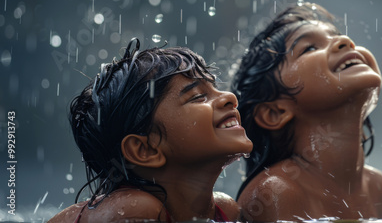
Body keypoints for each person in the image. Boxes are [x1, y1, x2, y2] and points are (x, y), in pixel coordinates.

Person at [49, 38, 253, 223]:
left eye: (215, 87)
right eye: (198, 96)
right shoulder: (133, 210)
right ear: (145, 149)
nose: (229, 97)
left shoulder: (227, 211)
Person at [231, 2, 382, 221]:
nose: (345, 41)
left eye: (336, 36)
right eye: (309, 48)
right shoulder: (276, 193)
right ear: (275, 112)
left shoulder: (380, 189)